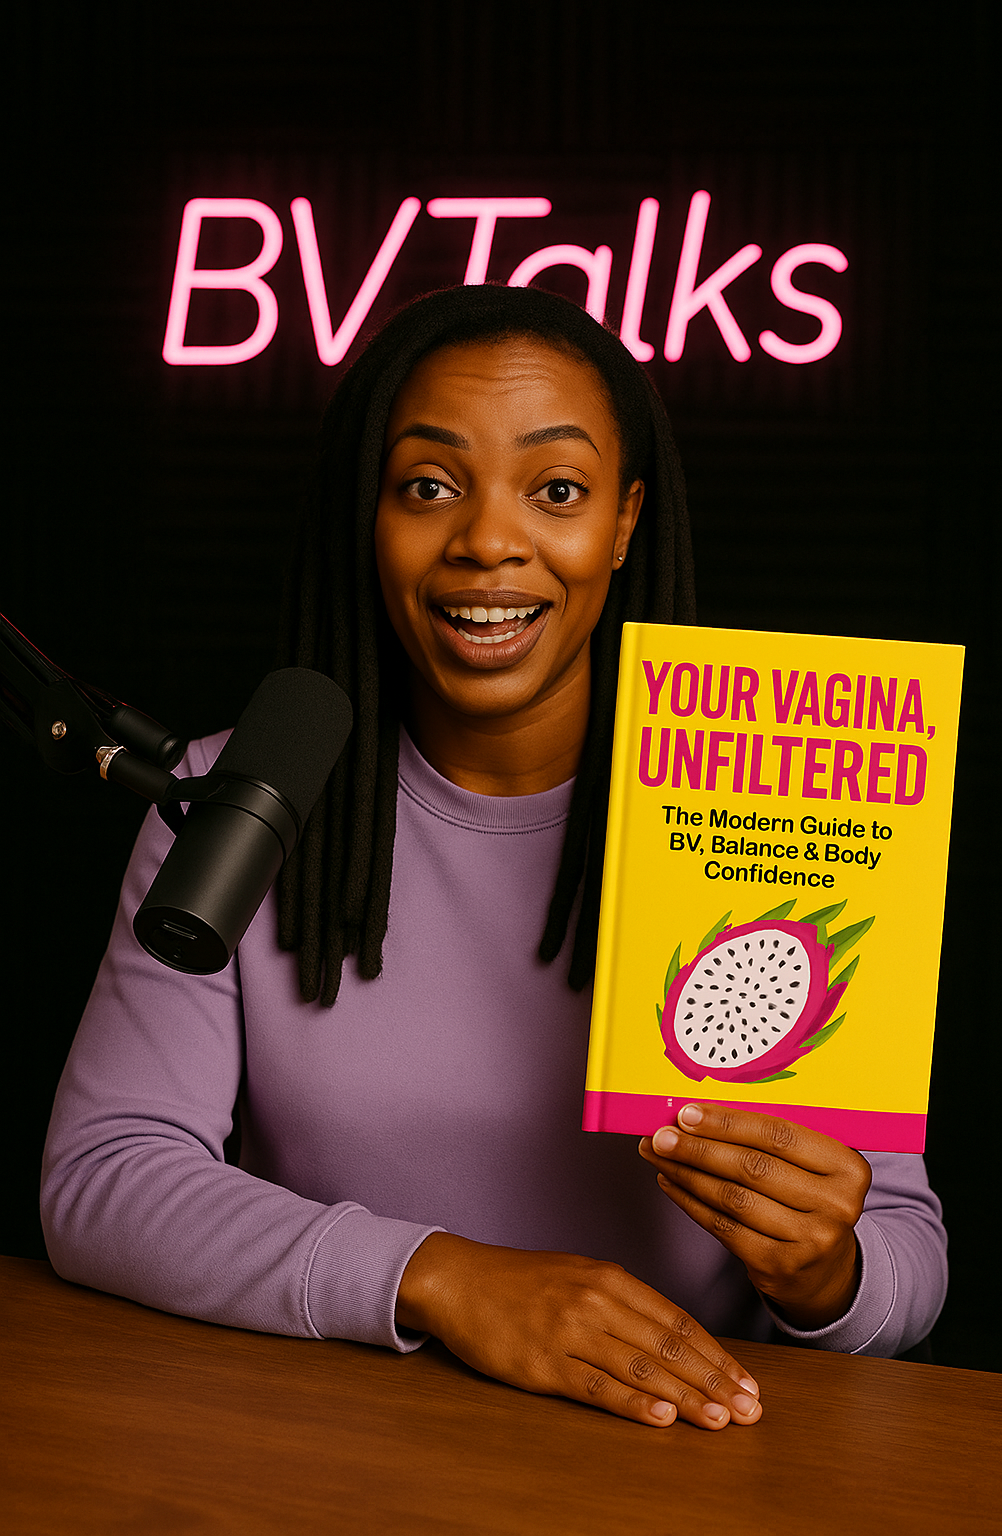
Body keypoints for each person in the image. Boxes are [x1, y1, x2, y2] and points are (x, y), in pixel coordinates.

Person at [42, 284, 946, 1431]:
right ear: (370, 517)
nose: (487, 540)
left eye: (556, 490)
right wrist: (449, 1280)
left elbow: (907, 1255)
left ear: (623, 524)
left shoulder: (780, 802)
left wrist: (828, 1276)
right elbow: (105, 1177)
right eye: (428, 486)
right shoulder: (238, 803)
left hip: (683, 1459)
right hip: (330, 1447)